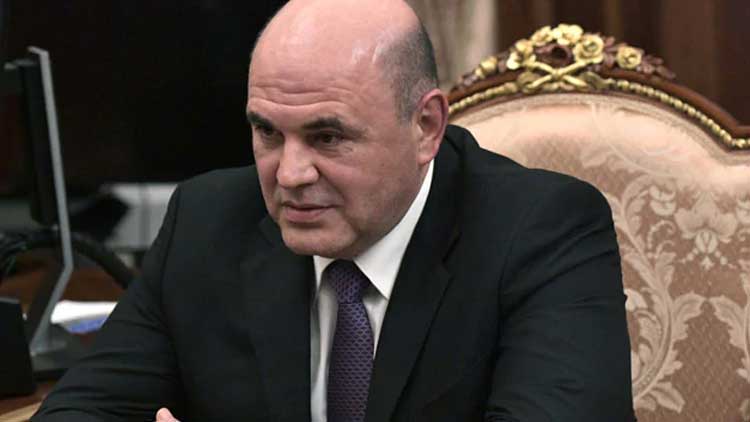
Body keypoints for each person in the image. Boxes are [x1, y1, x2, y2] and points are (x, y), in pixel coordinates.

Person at [32, 0, 634, 421]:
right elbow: (82, 410)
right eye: (267, 133)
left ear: (426, 127)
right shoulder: (207, 220)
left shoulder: (541, 229)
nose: (289, 175)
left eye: (327, 137)